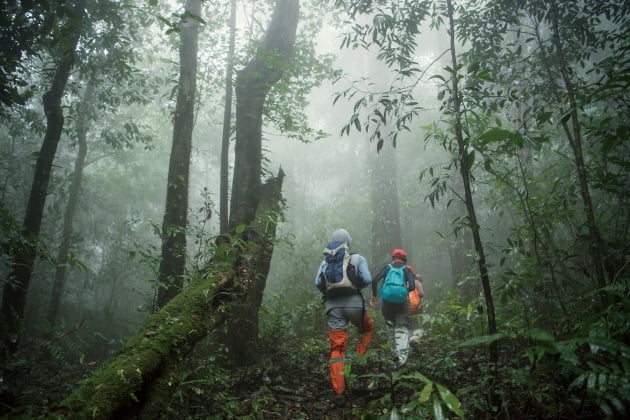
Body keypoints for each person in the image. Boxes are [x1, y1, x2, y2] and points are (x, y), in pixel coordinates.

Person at [315, 228, 374, 395]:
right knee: (367, 329)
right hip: (355, 304)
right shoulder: (357, 258)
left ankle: (339, 390)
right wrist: (355, 286)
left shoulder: (325, 262)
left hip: (333, 306)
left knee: (337, 348)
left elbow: (317, 282)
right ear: (348, 241)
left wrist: (330, 293)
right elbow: (368, 279)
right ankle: (358, 362)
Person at [369, 248, 416, 365]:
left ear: (393, 258)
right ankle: (401, 361)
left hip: (387, 303)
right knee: (402, 328)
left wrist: (374, 296)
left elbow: (374, 280)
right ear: (404, 259)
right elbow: (412, 287)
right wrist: (404, 290)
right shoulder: (406, 270)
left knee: (390, 326)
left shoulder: (387, 268)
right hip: (402, 304)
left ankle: (392, 356)